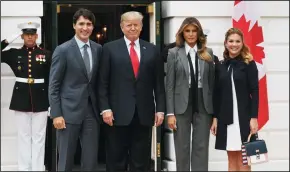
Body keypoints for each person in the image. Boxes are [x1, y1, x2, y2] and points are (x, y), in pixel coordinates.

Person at [98, 11, 166, 172]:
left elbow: (159, 84)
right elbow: (102, 83)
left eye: (136, 25)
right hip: (116, 114)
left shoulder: (152, 49)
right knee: (116, 160)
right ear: (122, 27)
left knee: (141, 161)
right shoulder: (109, 49)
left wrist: (161, 110)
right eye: (129, 25)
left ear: (142, 26)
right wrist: (105, 108)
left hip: (144, 114)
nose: (133, 28)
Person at [48, 8, 102, 171]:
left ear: (93, 27)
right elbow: (54, 85)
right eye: (81, 24)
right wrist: (56, 114)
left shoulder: (98, 49)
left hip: (91, 111)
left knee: (91, 160)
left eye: (89, 24)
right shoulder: (63, 50)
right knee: (65, 159)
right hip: (67, 112)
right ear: (74, 26)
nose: (85, 28)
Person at [165, 17, 215, 171]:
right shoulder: (173, 53)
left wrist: (214, 114)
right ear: (182, 33)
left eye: (194, 31)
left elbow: (212, 84)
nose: (191, 34)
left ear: (199, 33)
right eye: (188, 31)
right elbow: (169, 85)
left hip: (203, 103)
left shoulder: (208, 52)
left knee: (201, 147)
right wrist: (170, 113)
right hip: (181, 104)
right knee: (182, 147)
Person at [1, 22, 51, 171]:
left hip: (41, 98)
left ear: (36, 36)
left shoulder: (46, 54)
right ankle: (23, 169)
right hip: (21, 98)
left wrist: (52, 103)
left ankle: (37, 169)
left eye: (32, 34)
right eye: (26, 34)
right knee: (23, 137)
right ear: (22, 36)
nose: (30, 37)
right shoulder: (14, 53)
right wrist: (8, 40)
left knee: (39, 138)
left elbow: (51, 79)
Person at [210, 28, 259, 171]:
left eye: (238, 41)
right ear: (225, 43)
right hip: (226, 119)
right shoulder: (220, 66)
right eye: (231, 41)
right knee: (231, 159)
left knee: (245, 160)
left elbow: (255, 91)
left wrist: (254, 117)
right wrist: (215, 118)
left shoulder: (249, 64)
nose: (234, 44)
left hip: (244, 118)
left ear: (242, 43)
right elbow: (216, 94)